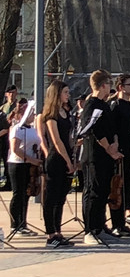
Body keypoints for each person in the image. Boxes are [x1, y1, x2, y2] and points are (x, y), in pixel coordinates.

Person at [78, 70, 122, 245]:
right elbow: (94, 129)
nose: (110, 88)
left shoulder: (104, 104)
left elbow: (110, 127)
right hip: (94, 154)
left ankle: (100, 226)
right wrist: (109, 148)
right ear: (103, 85)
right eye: (109, 84)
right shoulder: (91, 104)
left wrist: (116, 143)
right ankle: (90, 230)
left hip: (107, 155)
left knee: (103, 190)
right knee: (93, 191)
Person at [37, 80, 74, 248]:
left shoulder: (66, 112)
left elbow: (68, 138)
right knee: (51, 197)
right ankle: (50, 234)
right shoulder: (51, 115)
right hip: (56, 158)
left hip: (67, 156)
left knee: (61, 197)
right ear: (57, 94)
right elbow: (57, 141)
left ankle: (58, 231)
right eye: (65, 92)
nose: (68, 95)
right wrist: (68, 161)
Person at [111, 73, 130, 234]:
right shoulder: (115, 105)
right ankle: (116, 224)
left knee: (128, 186)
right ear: (121, 87)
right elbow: (115, 130)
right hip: (120, 150)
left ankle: (122, 222)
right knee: (118, 187)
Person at [6, 99, 38, 238]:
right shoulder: (17, 129)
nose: (34, 116)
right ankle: (15, 224)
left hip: (29, 165)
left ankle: (23, 223)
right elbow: (15, 149)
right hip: (17, 164)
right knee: (18, 193)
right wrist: (31, 159)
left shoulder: (33, 129)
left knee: (26, 194)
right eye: (32, 114)